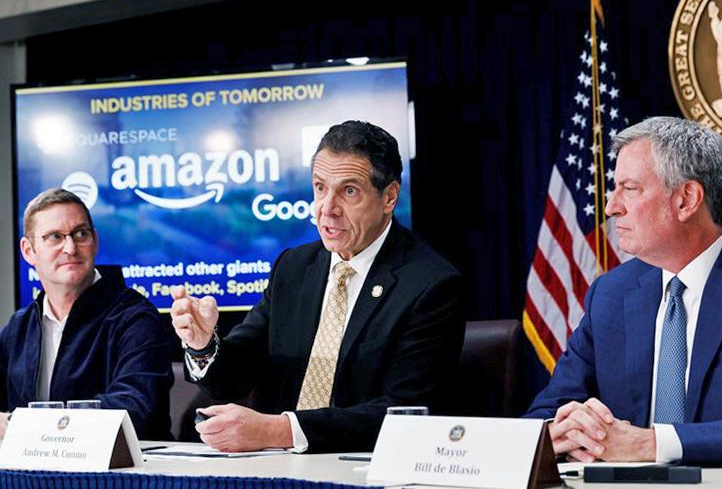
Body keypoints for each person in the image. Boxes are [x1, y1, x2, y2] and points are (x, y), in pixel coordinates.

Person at [171, 120, 464, 453]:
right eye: (320, 187)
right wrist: (203, 344)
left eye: (348, 191)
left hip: (359, 468)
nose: (327, 208)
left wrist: (278, 431)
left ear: (389, 197)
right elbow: (230, 379)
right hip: (271, 468)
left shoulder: (431, 284)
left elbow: (406, 411)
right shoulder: (294, 267)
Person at [525, 116, 722, 467]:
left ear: (686, 199)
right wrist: (564, 430)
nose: (611, 207)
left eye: (629, 189)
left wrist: (655, 444)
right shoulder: (611, 293)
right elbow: (547, 410)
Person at [0, 188, 173, 439]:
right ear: (29, 251)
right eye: (55, 237)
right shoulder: (18, 327)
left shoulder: (136, 317)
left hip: (123, 475)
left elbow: (134, 413)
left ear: (95, 241)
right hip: (33, 475)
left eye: (80, 234)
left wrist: (20, 425)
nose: (70, 247)